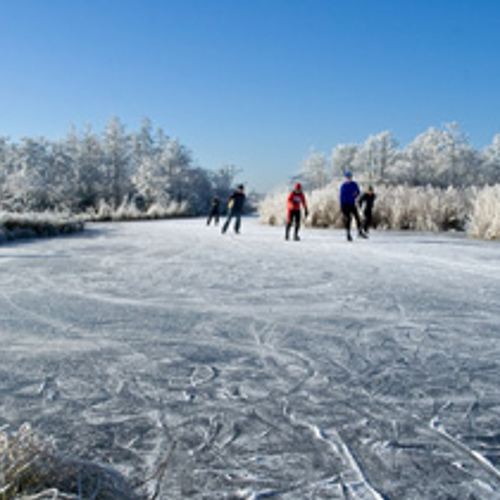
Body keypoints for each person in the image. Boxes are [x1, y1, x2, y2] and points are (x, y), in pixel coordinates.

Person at [340, 172, 367, 241]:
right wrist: (342, 206)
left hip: (352, 203)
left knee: (357, 217)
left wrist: (356, 195)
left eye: (350, 177)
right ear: (346, 178)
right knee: (348, 219)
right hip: (345, 205)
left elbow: (358, 191)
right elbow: (341, 197)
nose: (349, 178)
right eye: (348, 177)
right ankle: (348, 234)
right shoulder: (344, 186)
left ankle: (359, 232)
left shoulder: (354, 184)